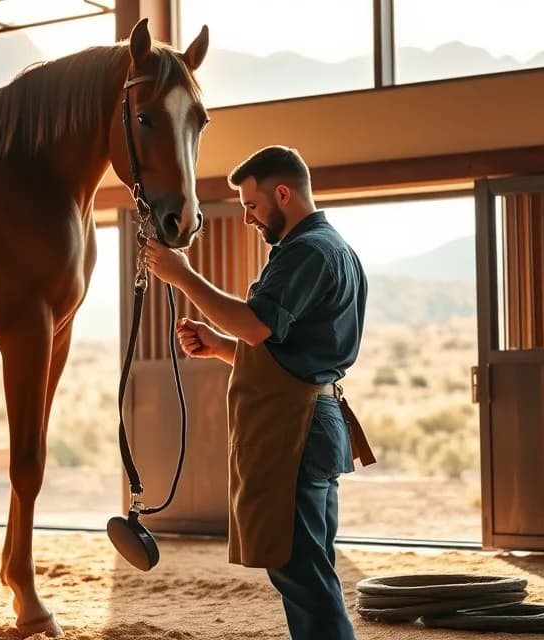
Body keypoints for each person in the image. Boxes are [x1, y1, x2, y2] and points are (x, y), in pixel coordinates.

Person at [142, 145, 374, 640]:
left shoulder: (309, 251)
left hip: (298, 427)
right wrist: (220, 346)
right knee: (306, 564)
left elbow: (255, 325)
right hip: (312, 418)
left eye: (251, 204)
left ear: (283, 194)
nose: (246, 217)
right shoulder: (329, 249)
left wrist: (182, 275)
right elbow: (289, 350)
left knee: (300, 568)